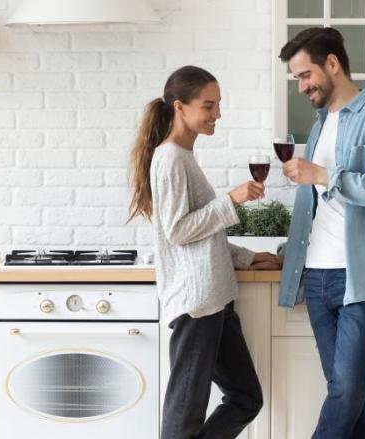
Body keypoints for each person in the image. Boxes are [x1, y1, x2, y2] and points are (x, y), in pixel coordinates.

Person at [127, 65, 281, 439]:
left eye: (218, 105)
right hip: (196, 304)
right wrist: (231, 200)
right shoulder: (170, 158)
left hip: (215, 300)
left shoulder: (183, 156)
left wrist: (246, 257)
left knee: (246, 398)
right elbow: (179, 231)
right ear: (180, 106)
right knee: (184, 417)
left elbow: (201, 234)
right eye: (208, 106)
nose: (217, 115)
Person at [277, 28, 365, 439]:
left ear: (332, 63)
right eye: (297, 79)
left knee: (348, 388)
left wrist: (320, 173)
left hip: (364, 277)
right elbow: (320, 207)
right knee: (347, 392)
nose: (302, 87)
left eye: (305, 75)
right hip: (318, 275)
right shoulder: (320, 124)